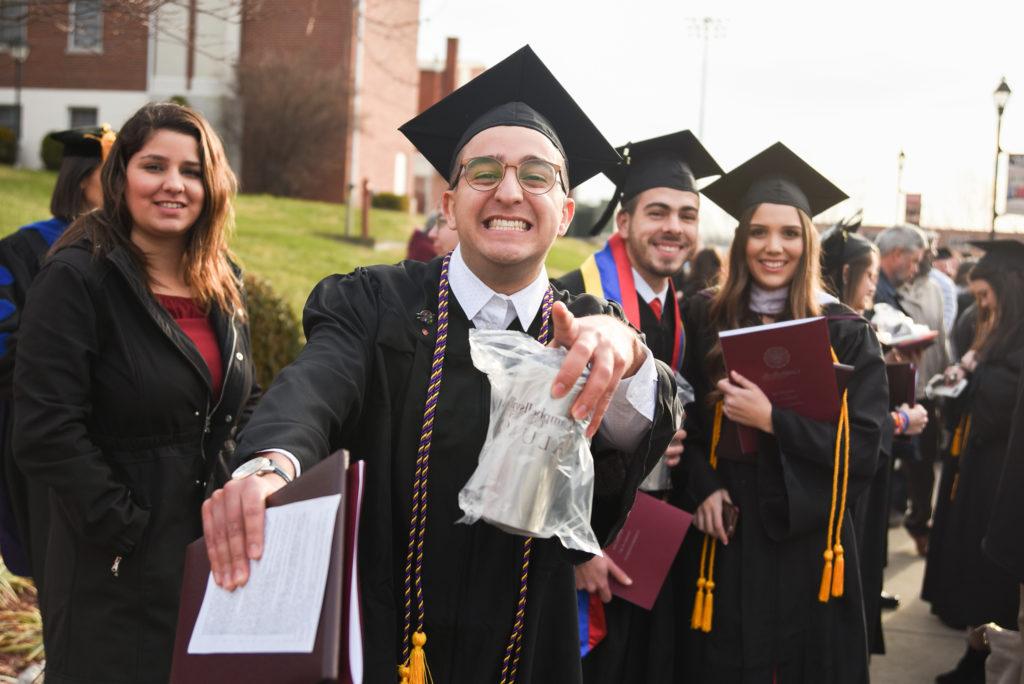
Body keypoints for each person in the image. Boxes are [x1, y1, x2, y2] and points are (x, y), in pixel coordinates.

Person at [200, 46, 679, 684]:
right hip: (386, 634)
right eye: (484, 170)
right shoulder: (375, 302)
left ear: (565, 213)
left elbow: (633, 435)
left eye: (536, 175)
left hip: (529, 649)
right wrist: (268, 466)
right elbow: (314, 386)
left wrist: (632, 358)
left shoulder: (591, 329)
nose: (509, 189)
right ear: (450, 203)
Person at [13, 102, 260, 684]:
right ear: (121, 176)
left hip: (209, 559)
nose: (174, 184)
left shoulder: (223, 280)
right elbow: (46, 431)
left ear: (212, 185)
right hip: (112, 569)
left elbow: (241, 401)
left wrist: (251, 484)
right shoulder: (77, 278)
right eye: (155, 166)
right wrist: (128, 530)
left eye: (192, 171)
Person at [673, 142, 889, 683]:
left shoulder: (847, 332)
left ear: (807, 242)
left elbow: (866, 448)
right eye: (760, 232)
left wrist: (773, 420)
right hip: (726, 542)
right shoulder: (703, 316)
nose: (774, 247)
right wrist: (702, 488)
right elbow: (684, 424)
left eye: (789, 233)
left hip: (807, 544)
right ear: (742, 239)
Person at [554, 130, 721, 683]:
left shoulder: (682, 312)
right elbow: (538, 434)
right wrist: (575, 551)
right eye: (658, 212)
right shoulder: (573, 296)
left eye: (687, 214)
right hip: (584, 545)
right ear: (623, 222)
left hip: (652, 538)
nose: (674, 227)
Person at [0, 125, 114, 582]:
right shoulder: (23, 249)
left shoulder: (136, 249)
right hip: (43, 429)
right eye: (113, 171)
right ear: (83, 178)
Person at [820, 219, 928, 656]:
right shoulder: (837, 327)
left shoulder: (854, 326)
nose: (873, 286)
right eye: (869, 276)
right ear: (847, 275)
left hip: (859, 469)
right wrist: (898, 423)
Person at [923, 240, 1024, 683]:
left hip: (1001, 478)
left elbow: (998, 403)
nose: (980, 306)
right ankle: (975, 659)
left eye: (985, 296)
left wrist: (971, 383)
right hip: (979, 470)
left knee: (993, 578)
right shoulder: (997, 339)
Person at [895, 246, 950, 556]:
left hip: (925, 390)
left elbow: (941, 336)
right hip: (896, 389)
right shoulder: (890, 290)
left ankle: (919, 521)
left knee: (923, 464)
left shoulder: (935, 289)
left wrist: (945, 378)